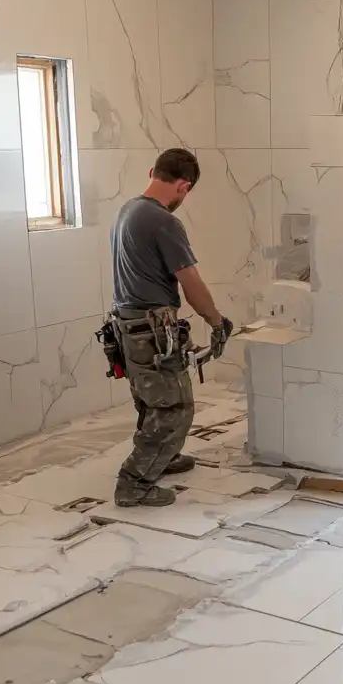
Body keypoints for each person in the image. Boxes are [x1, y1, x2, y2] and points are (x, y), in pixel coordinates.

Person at [109, 149, 232, 508]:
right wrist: (215, 320)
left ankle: (164, 456)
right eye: (185, 192)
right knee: (174, 408)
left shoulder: (128, 210)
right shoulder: (163, 221)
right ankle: (134, 482)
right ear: (184, 186)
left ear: (152, 171)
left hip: (129, 324)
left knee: (152, 401)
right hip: (150, 328)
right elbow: (189, 279)